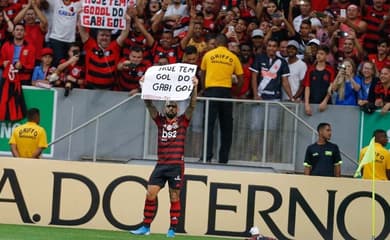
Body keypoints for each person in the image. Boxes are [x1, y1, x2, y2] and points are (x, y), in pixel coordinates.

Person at [130, 76, 198, 238]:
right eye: (169, 106)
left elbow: (192, 105)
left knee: (174, 196)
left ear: (177, 109)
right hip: (161, 164)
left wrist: (194, 87)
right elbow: (148, 104)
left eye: (174, 106)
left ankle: (172, 229)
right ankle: (146, 227)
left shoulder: (183, 121)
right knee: (150, 193)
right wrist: (144, 85)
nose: (171, 108)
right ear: (165, 107)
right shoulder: (160, 121)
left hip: (176, 165)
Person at [200, 33, 243, 164]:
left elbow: (202, 73)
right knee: (226, 127)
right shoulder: (233, 57)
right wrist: (236, 92)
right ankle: (223, 159)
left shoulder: (208, 55)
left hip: (211, 91)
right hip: (226, 92)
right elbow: (241, 78)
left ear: (217, 42)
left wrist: (204, 89)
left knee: (208, 126)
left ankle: (206, 157)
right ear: (226, 44)